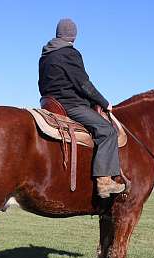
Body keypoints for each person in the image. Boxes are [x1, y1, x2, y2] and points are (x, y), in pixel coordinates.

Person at [38, 18, 125, 198]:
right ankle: (104, 181)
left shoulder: (46, 56)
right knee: (107, 131)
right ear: (74, 36)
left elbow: (41, 85)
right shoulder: (70, 53)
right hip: (70, 105)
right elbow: (83, 84)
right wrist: (103, 102)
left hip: (49, 103)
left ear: (57, 34)